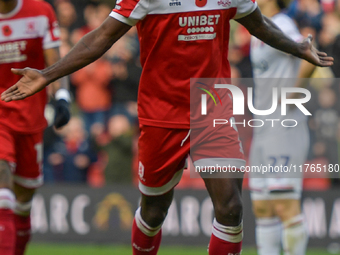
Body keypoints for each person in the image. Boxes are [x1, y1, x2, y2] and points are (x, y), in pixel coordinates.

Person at [1, 0, 333, 254]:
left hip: (211, 109)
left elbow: (259, 25)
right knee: (154, 210)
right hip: (161, 116)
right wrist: (48, 75)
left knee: (231, 207)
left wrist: (297, 48)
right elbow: (101, 38)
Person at [0, 0, 71, 254]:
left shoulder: (41, 11)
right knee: (2, 191)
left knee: (23, 201)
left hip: (30, 118)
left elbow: (53, 63)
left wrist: (62, 97)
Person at [249, 0, 317, 253]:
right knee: (263, 207)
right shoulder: (260, 26)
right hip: (263, 126)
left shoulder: (283, 24)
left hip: (283, 126)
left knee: (285, 204)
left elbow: (310, 53)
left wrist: (294, 93)